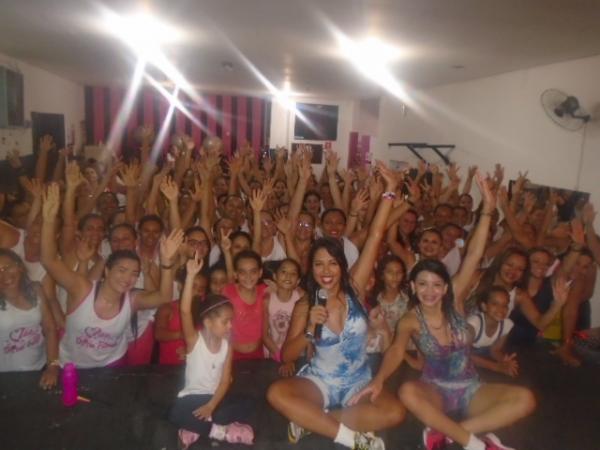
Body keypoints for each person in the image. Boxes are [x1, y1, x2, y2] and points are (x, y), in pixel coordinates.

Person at [352, 171, 536, 450]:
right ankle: (478, 444)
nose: (429, 291)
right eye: (422, 284)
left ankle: (450, 433)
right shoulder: (411, 319)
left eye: (436, 284)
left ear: (446, 288)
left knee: (526, 400)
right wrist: (378, 380)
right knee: (407, 391)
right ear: (413, 287)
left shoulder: (457, 301)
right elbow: (397, 351)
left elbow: (474, 253)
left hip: (470, 387)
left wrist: (488, 207)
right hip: (434, 390)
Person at [267, 161, 406, 450]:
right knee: (277, 394)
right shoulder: (306, 303)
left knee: (396, 412)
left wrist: (390, 192)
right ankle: (352, 438)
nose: (325, 270)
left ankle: (312, 422)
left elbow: (375, 236)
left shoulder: (354, 288)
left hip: (359, 380)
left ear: (342, 267)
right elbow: (286, 355)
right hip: (321, 381)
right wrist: (308, 329)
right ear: (311, 269)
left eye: (332, 263)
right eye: (318, 264)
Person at [40, 183, 182, 367]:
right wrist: (49, 220)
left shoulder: (132, 297)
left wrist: (167, 261)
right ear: (107, 270)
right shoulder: (85, 286)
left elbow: (163, 296)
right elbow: (49, 261)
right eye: (121, 271)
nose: (127, 278)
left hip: (114, 361)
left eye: (133, 274)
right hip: (73, 364)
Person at [169, 253, 254, 448]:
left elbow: (225, 381)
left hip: (215, 398)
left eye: (231, 321)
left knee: (246, 403)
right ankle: (220, 431)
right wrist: (190, 276)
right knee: (176, 412)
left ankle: (196, 427)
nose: (230, 326)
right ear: (207, 322)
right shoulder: (194, 341)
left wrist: (211, 406)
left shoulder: (227, 346)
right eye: (225, 322)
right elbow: (185, 311)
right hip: (192, 398)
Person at [0, 249, 59, 389]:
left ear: (19, 266)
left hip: (39, 370)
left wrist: (53, 367)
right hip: (5, 376)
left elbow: (50, 329)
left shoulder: (36, 289)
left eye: (7, 267)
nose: (3, 274)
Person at [222, 250, 268, 360]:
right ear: (235, 274)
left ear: (260, 273)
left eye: (253, 271)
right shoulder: (228, 292)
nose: (248, 276)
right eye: (243, 272)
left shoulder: (265, 291)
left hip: (258, 353)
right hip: (232, 354)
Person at [262, 258, 302, 376]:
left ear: (298, 281)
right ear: (275, 276)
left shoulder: (300, 298)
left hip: (296, 355)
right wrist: (282, 358)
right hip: (274, 354)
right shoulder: (267, 300)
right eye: (283, 272)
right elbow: (265, 336)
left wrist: (291, 359)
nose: (288, 276)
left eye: (293, 273)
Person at [467, 286, 518, 377]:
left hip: (483, 357)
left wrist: (504, 360)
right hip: (463, 357)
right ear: (484, 306)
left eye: (504, 305)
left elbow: (495, 350)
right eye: (495, 304)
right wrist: (497, 367)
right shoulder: (474, 324)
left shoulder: (506, 324)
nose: (501, 309)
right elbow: (465, 354)